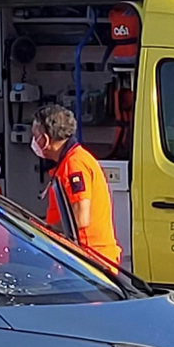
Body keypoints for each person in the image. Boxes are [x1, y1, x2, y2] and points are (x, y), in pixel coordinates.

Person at [31, 104, 122, 267]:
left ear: (44, 139)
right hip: (83, 257)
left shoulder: (74, 164)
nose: (33, 141)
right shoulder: (72, 160)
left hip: (88, 259)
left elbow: (80, 218)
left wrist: (44, 231)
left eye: (35, 135)